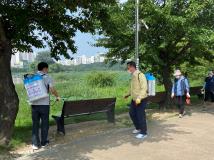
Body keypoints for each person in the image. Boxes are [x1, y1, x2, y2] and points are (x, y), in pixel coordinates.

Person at [31, 62, 60, 150]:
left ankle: (35, 144)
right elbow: (52, 89)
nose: (47, 70)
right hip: (44, 104)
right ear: (44, 68)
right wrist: (57, 96)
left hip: (34, 104)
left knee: (35, 124)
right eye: (47, 68)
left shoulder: (32, 77)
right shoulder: (47, 77)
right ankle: (44, 142)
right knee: (44, 123)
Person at [124, 61, 148, 139]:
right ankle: (138, 128)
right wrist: (128, 94)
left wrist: (139, 97)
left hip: (140, 99)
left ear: (132, 67)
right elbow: (133, 89)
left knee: (140, 115)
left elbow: (144, 88)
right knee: (132, 113)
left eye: (128, 67)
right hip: (134, 99)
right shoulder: (133, 76)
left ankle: (144, 133)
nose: (128, 69)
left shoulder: (140, 75)